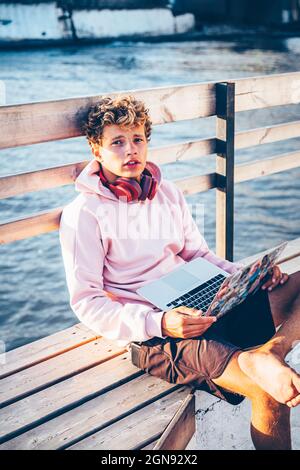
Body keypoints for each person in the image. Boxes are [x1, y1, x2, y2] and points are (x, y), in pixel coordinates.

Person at [59, 95, 300, 450]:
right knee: (268, 392)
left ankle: (273, 351)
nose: (131, 151)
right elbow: (87, 301)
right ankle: (257, 361)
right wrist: (161, 323)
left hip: (206, 303)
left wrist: (247, 277)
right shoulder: (84, 214)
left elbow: (197, 254)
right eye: (117, 142)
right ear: (96, 150)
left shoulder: (166, 192)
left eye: (138, 139)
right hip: (156, 333)